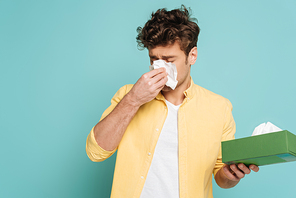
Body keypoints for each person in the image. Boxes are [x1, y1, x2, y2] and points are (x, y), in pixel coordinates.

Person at [86, 5, 259, 198]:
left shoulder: (220, 107)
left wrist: (230, 175)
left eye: (169, 60)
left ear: (192, 56)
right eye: (154, 60)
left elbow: (221, 177)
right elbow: (96, 152)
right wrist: (134, 99)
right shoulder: (128, 95)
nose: (160, 69)